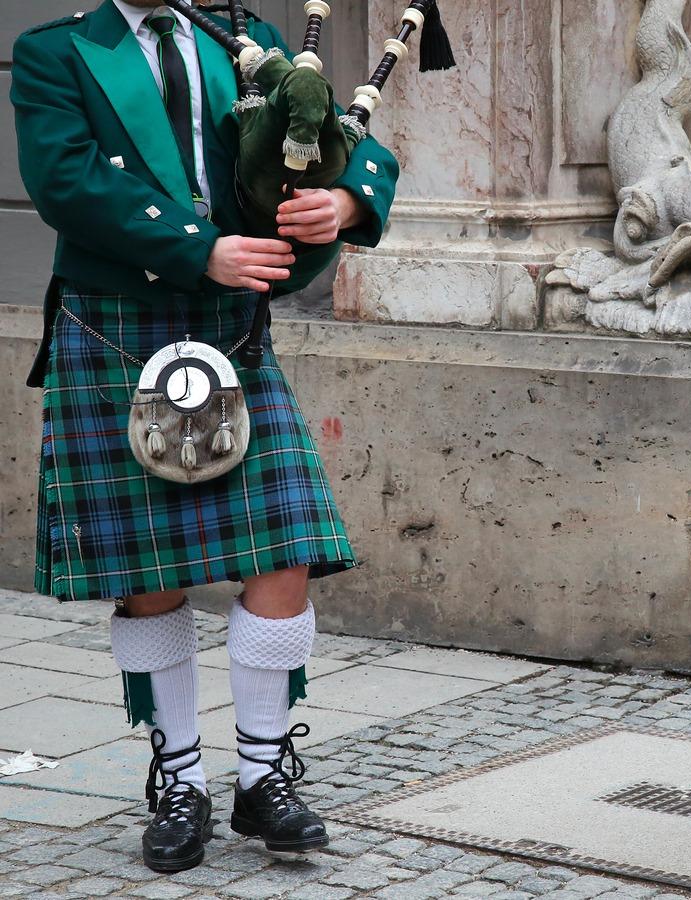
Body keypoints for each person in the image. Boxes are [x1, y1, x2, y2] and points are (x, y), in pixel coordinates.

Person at [11, 0, 398, 873]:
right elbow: (65, 180)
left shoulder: (246, 38)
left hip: (230, 329)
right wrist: (203, 249)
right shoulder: (57, 51)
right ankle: (177, 780)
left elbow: (342, 140)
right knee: (150, 576)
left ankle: (262, 776)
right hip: (118, 320)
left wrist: (340, 198)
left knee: (285, 552)